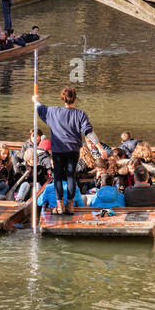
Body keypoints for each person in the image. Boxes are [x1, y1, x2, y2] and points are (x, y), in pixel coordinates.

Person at [32, 86, 102, 215]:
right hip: (73, 150)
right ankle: (70, 205)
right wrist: (99, 147)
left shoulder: (53, 112)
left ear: (63, 99)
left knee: (57, 176)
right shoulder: (80, 114)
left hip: (58, 150)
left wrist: (35, 100)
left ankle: (60, 206)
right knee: (71, 176)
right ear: (75, 98)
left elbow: (40, 108)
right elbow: (89, 132)